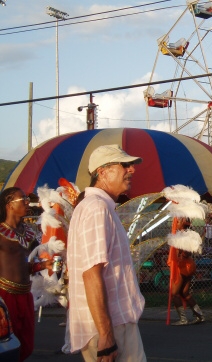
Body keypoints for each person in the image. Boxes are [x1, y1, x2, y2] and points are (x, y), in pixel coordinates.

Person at [67, 144, 146, 361]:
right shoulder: (96, 208)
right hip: (110, 324)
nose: (132, 170)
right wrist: (106, 334)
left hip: (112, 322)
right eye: (125, 165)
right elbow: (91, 274)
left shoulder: (99, 207)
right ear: (102, 172)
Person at [0, 187, 53, 361]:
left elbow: (27, 264)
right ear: (9, 204)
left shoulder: (29, 232)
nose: (26, 202)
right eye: (22, 198)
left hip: (25, 294)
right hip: (4, 295)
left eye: (26, 198)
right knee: (7, 344)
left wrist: (43, 265)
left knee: (25, 344)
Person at [169, 217, 205, 325]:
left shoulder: (183, 235)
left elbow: (186, 252)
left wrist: (180, 251)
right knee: (184, 292)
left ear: (184, 222)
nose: (176, 222)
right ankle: (200, 315)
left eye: (178, 220)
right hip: (189, 264)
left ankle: (183, 319)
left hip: (184, 265)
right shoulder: (187, 234)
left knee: (175, 293)